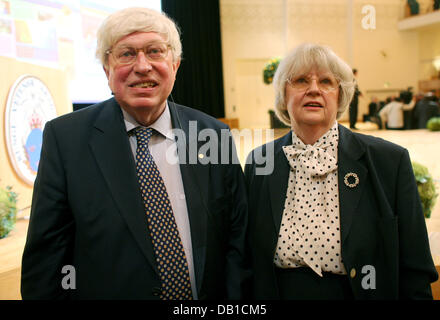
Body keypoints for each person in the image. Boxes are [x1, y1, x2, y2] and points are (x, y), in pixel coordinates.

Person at [21, 7, 248, 300]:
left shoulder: (213, 135)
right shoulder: (65, 141)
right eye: (127, 54)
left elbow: (237, 244)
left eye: (155, 51)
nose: (142, 66)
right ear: (107, 69)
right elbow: (47, 263)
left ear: (175, 65)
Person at [244, 43, 438, 299]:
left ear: (341, 95)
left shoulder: (390, 161)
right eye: (301, 80)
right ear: (283, 94)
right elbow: (246, 259)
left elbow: (415, 270)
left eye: (326, 81)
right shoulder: (259, 162)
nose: (313, 89)